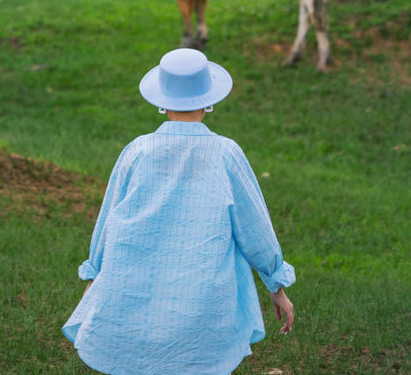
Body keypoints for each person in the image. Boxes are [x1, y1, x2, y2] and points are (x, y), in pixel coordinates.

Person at [62, 48, 295, 375]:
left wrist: (95, 274)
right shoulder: (226, 154)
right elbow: (254, 226)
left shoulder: (137, 151)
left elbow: (108, 220)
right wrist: (276, 283)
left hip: (139, 302)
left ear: (162, 102)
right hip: (205, 306)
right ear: (208, 101)